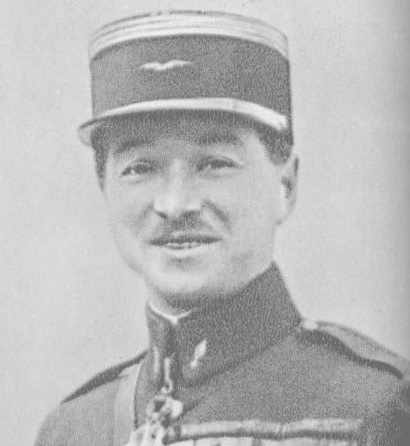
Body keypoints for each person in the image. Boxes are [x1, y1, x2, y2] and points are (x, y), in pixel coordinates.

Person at [34, 10, 410, 446]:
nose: (175, 205)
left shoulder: (374, 409)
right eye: (140, 167)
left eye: (214, 163)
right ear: (104, 187)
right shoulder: (75, 429)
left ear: (286, 185)